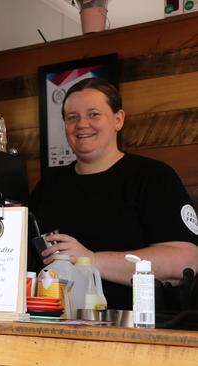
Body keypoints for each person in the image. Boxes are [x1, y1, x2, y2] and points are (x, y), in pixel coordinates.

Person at [29, 77, 198, 310]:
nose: (82, 124)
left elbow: (185, 261)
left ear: (118, 120)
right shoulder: (49, 185)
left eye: (94, 114)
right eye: (72, 117)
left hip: (136, 330)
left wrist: (89, 260)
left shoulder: (153, 176)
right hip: (55, 328)